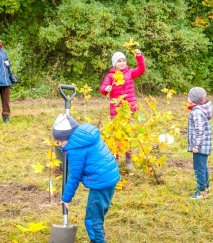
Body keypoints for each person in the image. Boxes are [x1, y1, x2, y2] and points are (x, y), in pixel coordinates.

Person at [52, 114, 120, 243]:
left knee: (92, 220)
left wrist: (66, 198)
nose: (60, 145)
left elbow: (74, 177)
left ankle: (98, 240)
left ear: (70, 136)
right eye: (58, 142)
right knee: (98, 215)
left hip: (101, 182)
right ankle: (99, 234)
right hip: (109, 176)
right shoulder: (85, 135)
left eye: (62, 141)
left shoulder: (75, 149)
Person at [99, 50, 146, 170]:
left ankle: (129, 159)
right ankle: (115, 159)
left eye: (123, 60)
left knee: (128, 135)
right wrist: (107, 88)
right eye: (119, 61)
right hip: (117, 111)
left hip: (130, 110)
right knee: (116, 136)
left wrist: (139, 57)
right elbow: (103, 89)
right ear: (114, 63)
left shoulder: (130, 73)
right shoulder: (111, 76)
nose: (121, 63)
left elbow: (141, 69)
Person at [187, 87, 213, 199]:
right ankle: (206, 189)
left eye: (188, 96)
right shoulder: (201, 109)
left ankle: (201, 191)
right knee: (203, 167)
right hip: (205, 145)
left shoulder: (197, 112)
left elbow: (199, 130)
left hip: (200, 146)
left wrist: (196, 146)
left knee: (199, 168)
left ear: (193, 99)